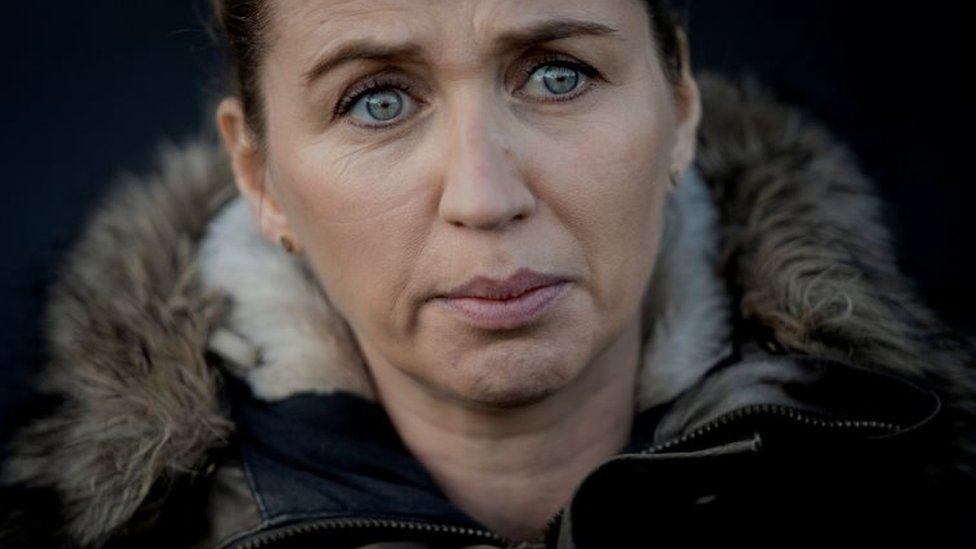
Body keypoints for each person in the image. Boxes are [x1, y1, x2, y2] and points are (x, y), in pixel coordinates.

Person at [2, 0, 975, 547]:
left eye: (558, 74)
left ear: (678, 108)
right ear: (260, 178)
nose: (483, 195)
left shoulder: (921, 497)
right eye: (377, 100)